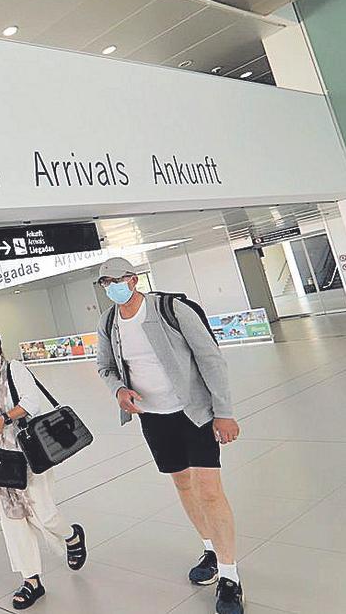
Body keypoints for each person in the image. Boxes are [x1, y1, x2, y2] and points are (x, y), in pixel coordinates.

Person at [93, 257, 244, 614]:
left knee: (210, 491)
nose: (112, 287)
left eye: (118, 279)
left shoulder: (171, 309)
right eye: (105, 283)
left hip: (193, 413)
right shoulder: (109, 322)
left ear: (133, 280)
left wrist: (224, 412)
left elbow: (211, 358)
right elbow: (106, 366)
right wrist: (118, 390)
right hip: (154, 418)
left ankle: (229, 575)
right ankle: (209, 547)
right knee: (182, 484)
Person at [0, 326, 87, 609]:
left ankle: (72, 536)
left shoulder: (15, 370)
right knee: (13, 520)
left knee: (43, 514)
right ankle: (31, 580)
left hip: (27, 453)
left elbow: (31, 403)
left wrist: (3, 418)